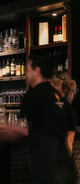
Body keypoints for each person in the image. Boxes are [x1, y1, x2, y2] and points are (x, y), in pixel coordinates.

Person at [20, 52, 77, 184]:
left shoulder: (33, 96)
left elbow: (23, 128)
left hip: (46, 168)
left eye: (28, 70)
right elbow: (68, 140)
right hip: (66, 169)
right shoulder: (67, 107)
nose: (26, 74)